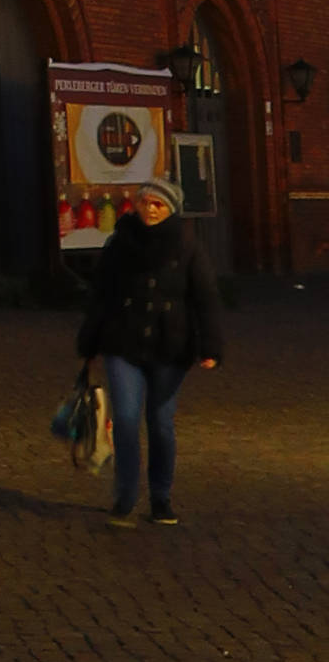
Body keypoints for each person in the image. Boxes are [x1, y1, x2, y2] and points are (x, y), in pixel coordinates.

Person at [77, 176, 223, 527]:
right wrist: (90, 343)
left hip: (170, 345)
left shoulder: (187, 243)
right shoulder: (121, 241)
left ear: (170, 208)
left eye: (159, 204)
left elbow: (205, 297)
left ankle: (161, 497)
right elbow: (101, 294)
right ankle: (125, 496)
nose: (151, 209)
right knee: (126, 419)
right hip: (123, 342)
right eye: (146, 202)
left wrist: (210, 346)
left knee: (159, 422)